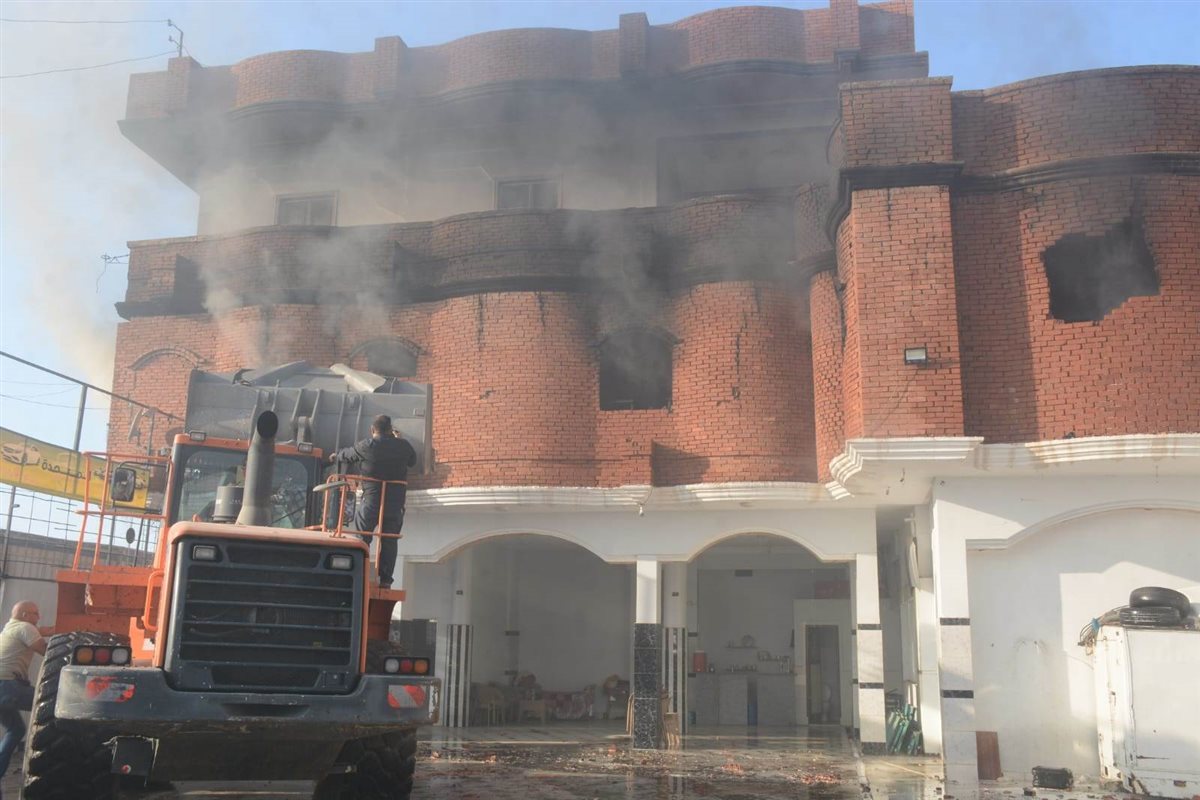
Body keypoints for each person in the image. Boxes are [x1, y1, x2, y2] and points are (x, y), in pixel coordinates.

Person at [330, 415, 416, 587]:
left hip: (371, 501)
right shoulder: (403, 446)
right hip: (394, 504)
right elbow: (412, 461)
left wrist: (335, 455)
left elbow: (347, 455)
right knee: (389, 540)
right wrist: (398, 440)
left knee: (362, 538)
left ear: (372, 430)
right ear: (390, 429)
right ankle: (386, 581)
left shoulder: (366, 446)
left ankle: (358, 576)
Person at [0, 602, 48, 778]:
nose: (39, 617)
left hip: (3, 688)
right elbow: (46, 651)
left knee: (16, 730)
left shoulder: (10, 628)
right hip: (8, 687)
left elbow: (42, 630)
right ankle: (51, 755)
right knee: (51, 704)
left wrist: (56, 630)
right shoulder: (26, 627)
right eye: (36, 613)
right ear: (25, 615)